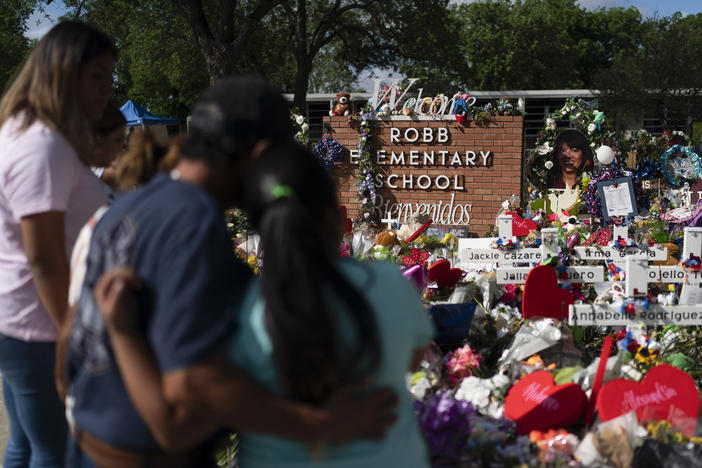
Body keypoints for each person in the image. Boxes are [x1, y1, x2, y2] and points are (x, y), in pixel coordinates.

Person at [61, 77, 399, 468]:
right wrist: (321, 423)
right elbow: (190, 392)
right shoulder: (193, 222)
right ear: (260, 154)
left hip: (86, 444)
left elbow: (67, 345)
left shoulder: (123, 208)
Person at [96, 142, 434, 467]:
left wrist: (123, 333)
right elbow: (414, 357)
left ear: (257, 223)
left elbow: (183, 417)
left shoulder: (244, 307)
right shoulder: (390, 284)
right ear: (335, 210)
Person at [0, 21, 114, 467]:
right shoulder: (41, 146)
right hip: (42, 328)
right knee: (56, 453)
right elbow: (44, 256)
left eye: (110, 76)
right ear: (63, 73)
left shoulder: (24, 131)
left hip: (25, 321)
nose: (108, 88)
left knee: (26, 446)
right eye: (97, 76)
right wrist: (72, 331)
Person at [91, 102, 127, 191]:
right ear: (99, 140)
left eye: (123, 139)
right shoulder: (90, 167)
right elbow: (117, 176)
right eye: (118, 140)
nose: (123, 144)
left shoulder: (111, 160)